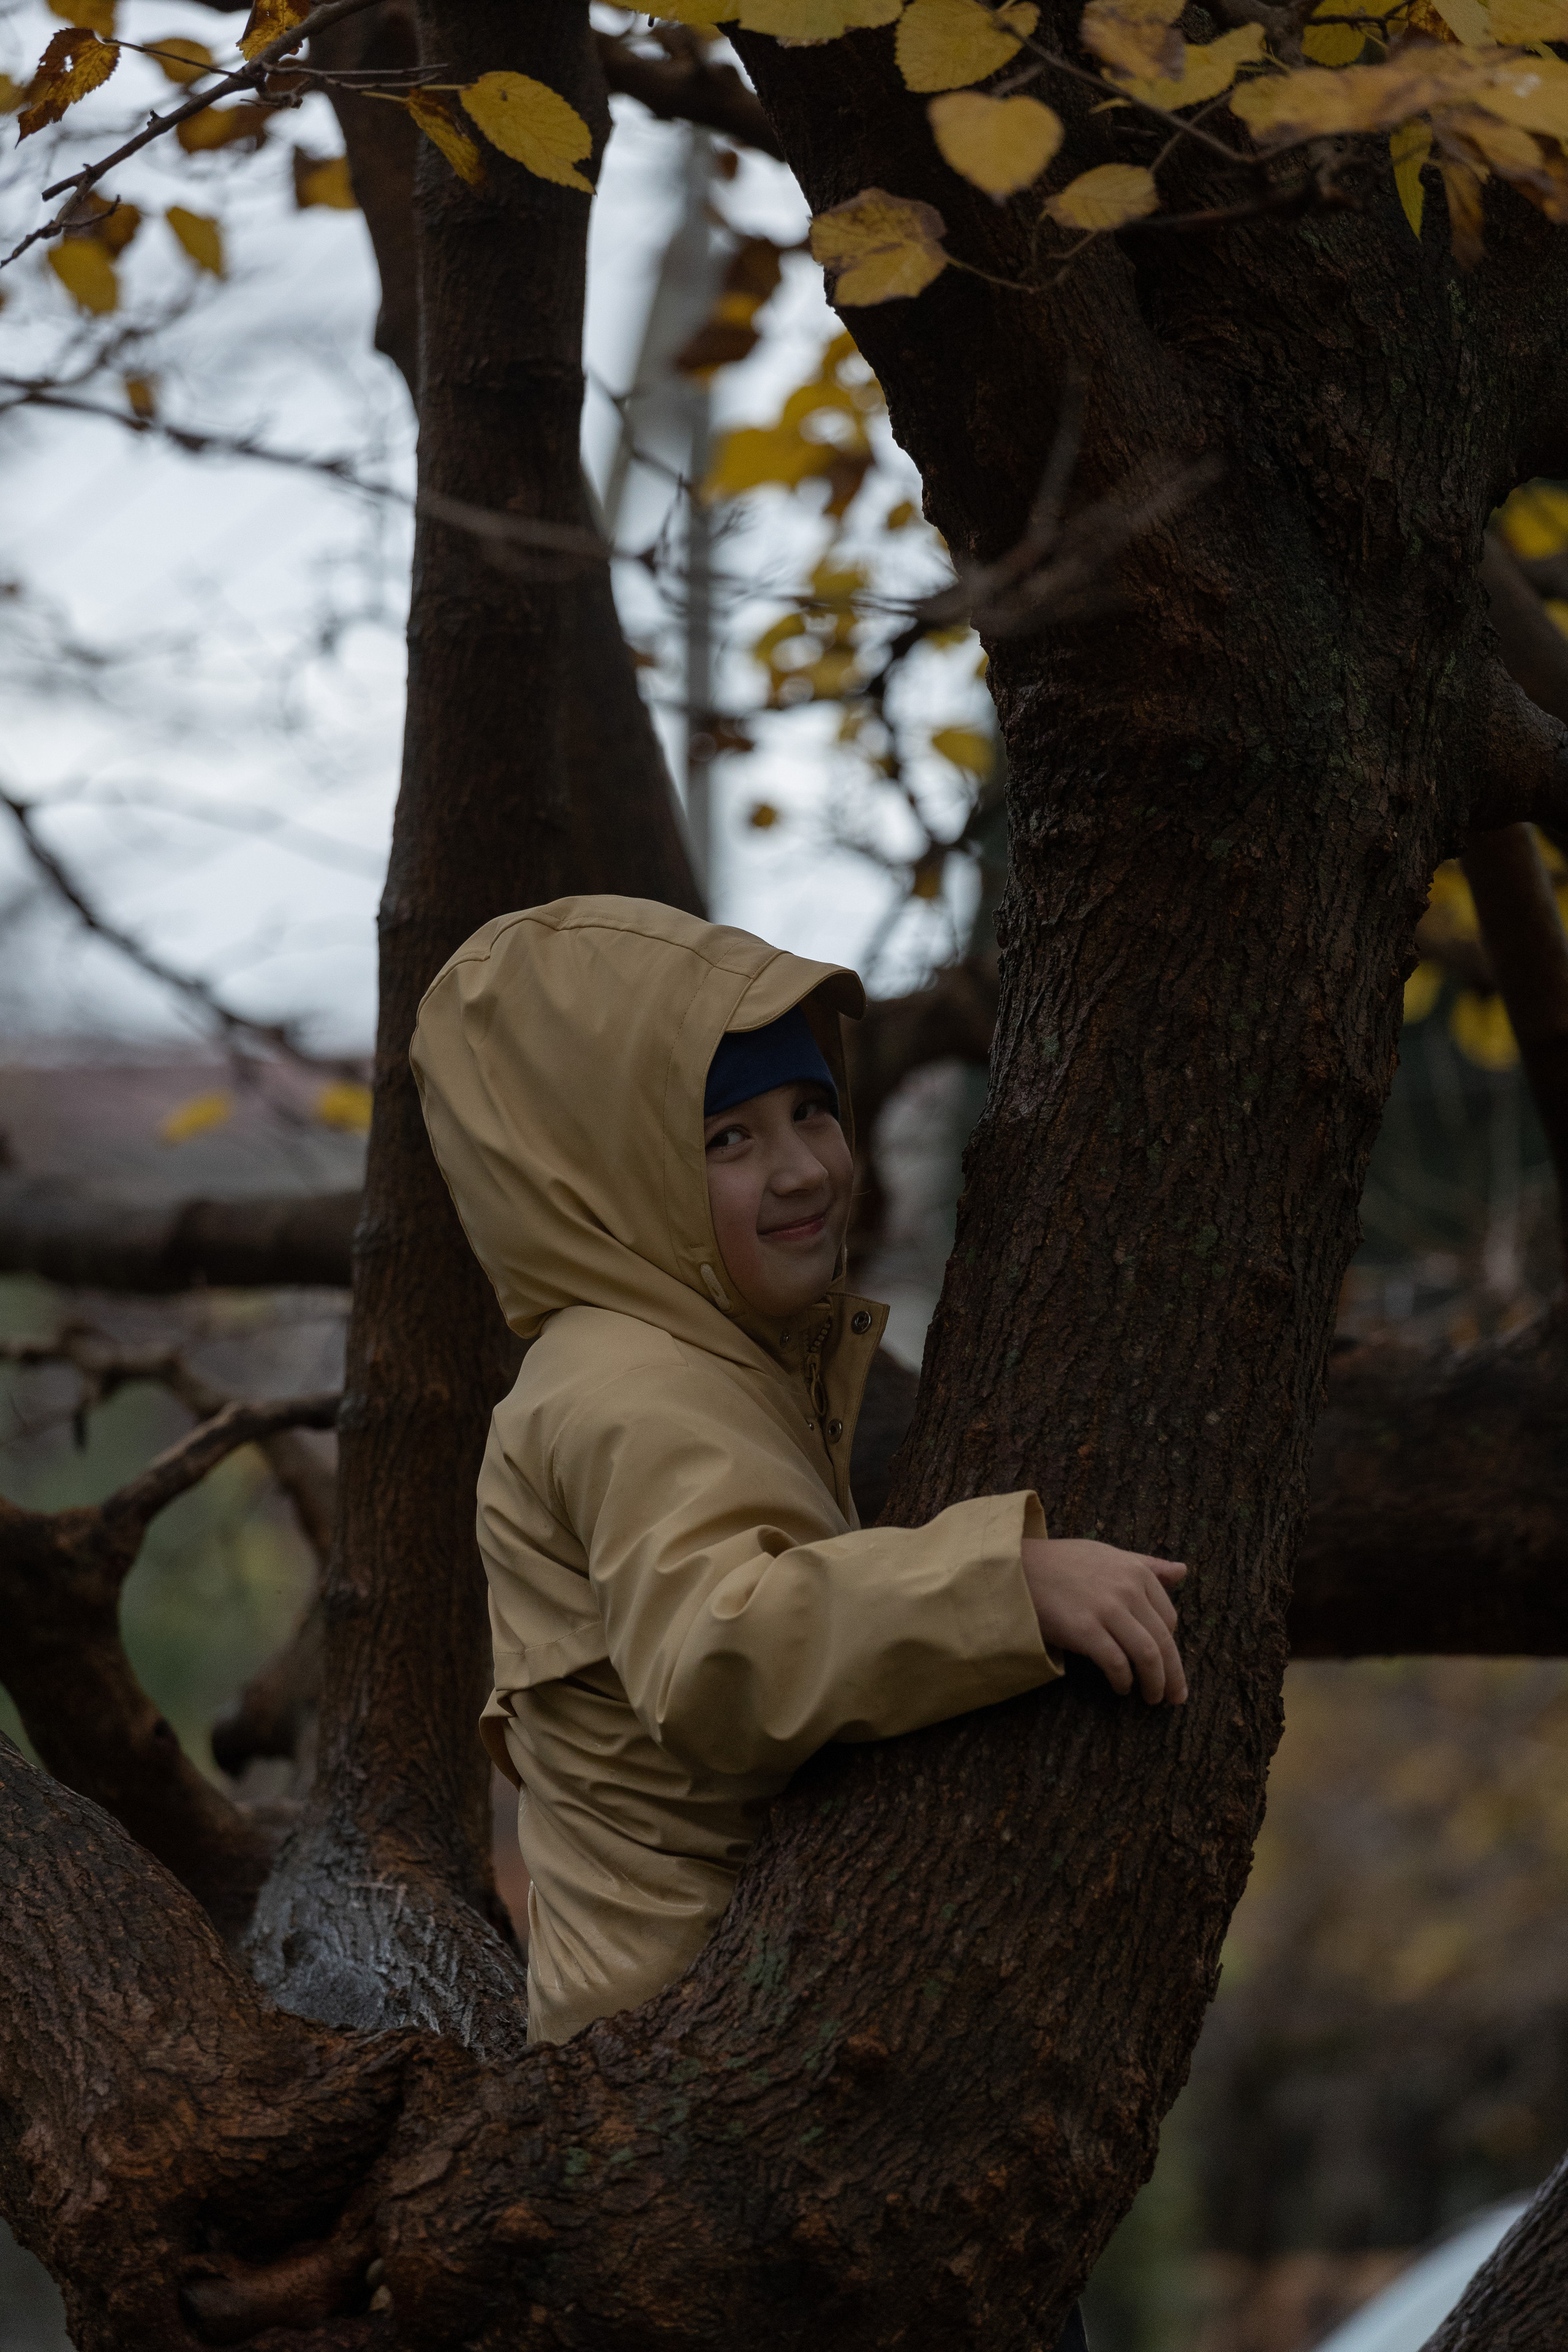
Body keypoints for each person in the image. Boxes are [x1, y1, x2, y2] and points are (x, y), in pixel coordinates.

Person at [412, 894, 1186, 2054]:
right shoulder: (633, 1388)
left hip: (689, 2016)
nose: (803, 1170)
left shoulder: (705, 1355)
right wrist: (1005, 1582)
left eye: (812, 1111)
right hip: (683, 2048)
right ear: (613, 1179)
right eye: (729, 1139)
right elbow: (723, 1654)